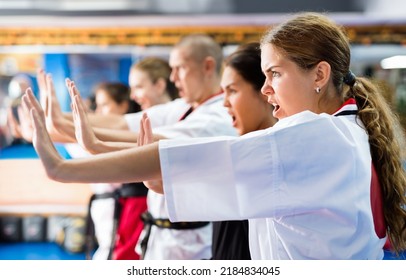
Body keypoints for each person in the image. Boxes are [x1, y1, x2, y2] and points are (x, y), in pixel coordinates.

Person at [24, 12, 406, 259]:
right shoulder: (343, 129)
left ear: (319, 76)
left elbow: (212, 155)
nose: (266, 89)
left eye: (274, 74)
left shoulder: (315, 136)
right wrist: (96, 147)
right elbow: (190, 160)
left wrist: (63, 168)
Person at [30, 34, 238, 260]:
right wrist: (61, 120)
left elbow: (158, 144)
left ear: (208, 66)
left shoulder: (217, 118)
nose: (173, 77)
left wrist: (92, 145)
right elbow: (123, 124)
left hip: (189, 246)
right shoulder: (186, 107)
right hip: (159, 236)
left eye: (180, 68)